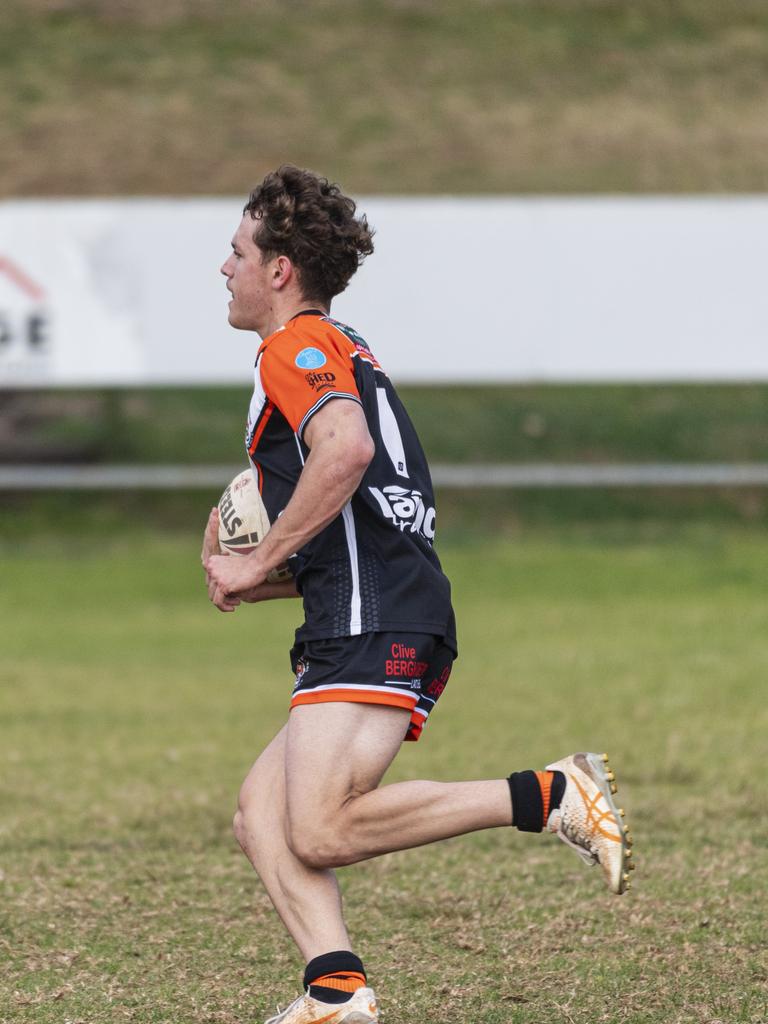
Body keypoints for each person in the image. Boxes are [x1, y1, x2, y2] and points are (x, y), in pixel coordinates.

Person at [203, 165, 634, 1024]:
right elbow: (365, 507)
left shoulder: (298, 348)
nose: (226, 268)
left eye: (238, 251)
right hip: (372, 600)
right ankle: (337, 991)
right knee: (262, 814)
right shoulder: (339, 347)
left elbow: (348, 454)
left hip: (375, 612)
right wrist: (276, 572)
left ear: (280, 268)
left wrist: (259, 561)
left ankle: (552, 795)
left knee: (320, 827)